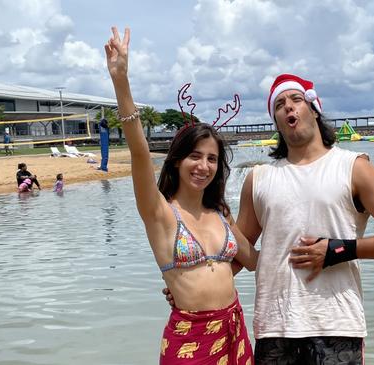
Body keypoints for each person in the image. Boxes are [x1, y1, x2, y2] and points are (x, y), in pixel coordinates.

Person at [166, 74, 374, 363]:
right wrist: (194, 286)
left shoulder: (352, 167)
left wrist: (338, 249)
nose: (288, 107)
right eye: (279, 104)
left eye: (296, 100)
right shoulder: (259, 178)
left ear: (314, 109)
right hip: (274, 327)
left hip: (336, 324)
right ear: (276, 121)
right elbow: (242, 252)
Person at [105, 27, 258, 364]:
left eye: (212, 159)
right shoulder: (159, 212)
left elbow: (254, 261)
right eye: (195, 156)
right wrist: (121, 80)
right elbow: (140, 152)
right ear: (176, 160)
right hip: (190, 337)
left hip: (234, 329)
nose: (203, 166)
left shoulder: (220, 212)